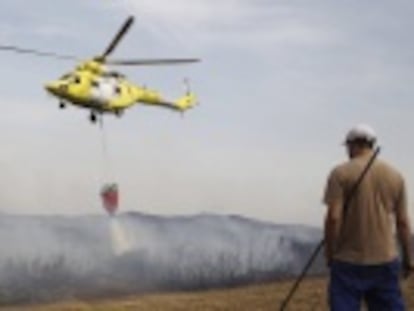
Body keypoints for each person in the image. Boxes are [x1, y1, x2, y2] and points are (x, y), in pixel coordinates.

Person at [323, 123, 413, 311]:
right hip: (385, 259)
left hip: (348, 260)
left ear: (352, 144)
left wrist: (330, 254)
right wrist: (409, 258)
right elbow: (403, 222)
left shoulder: (340, 173)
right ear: (371, 144)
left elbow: (333, 218)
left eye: (347, 146)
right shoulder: (395, 176)